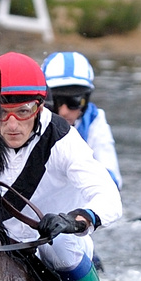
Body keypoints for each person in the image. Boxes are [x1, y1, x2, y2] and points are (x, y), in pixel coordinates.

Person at [0, 52, 138, 281]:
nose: (12, 123)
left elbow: (109, 194)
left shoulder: (62, 137)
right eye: (3, 111)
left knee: (62, 250)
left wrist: (80, 217)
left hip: (51, 236)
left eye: (24, 110)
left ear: (40, 105)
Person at [42, 51, 122, 188]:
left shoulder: (94, 121)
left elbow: (112, 180)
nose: (63, 112)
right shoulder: (28, 121)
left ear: (87, 99)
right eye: (55, 101)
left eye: (74, 101)